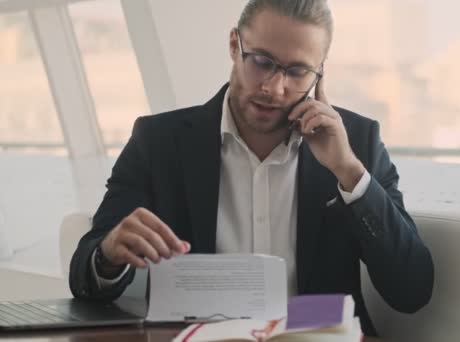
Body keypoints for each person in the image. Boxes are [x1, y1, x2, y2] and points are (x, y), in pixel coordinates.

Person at [69, 0, 434, 336]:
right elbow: (84, 274)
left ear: (319, 73)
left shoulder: (357, 142)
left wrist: (349, 172)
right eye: (261, 61)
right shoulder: (159, 142)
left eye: (297, 71)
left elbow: (412, 290)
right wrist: (109, 254)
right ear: (233, 45)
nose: (274, 88)